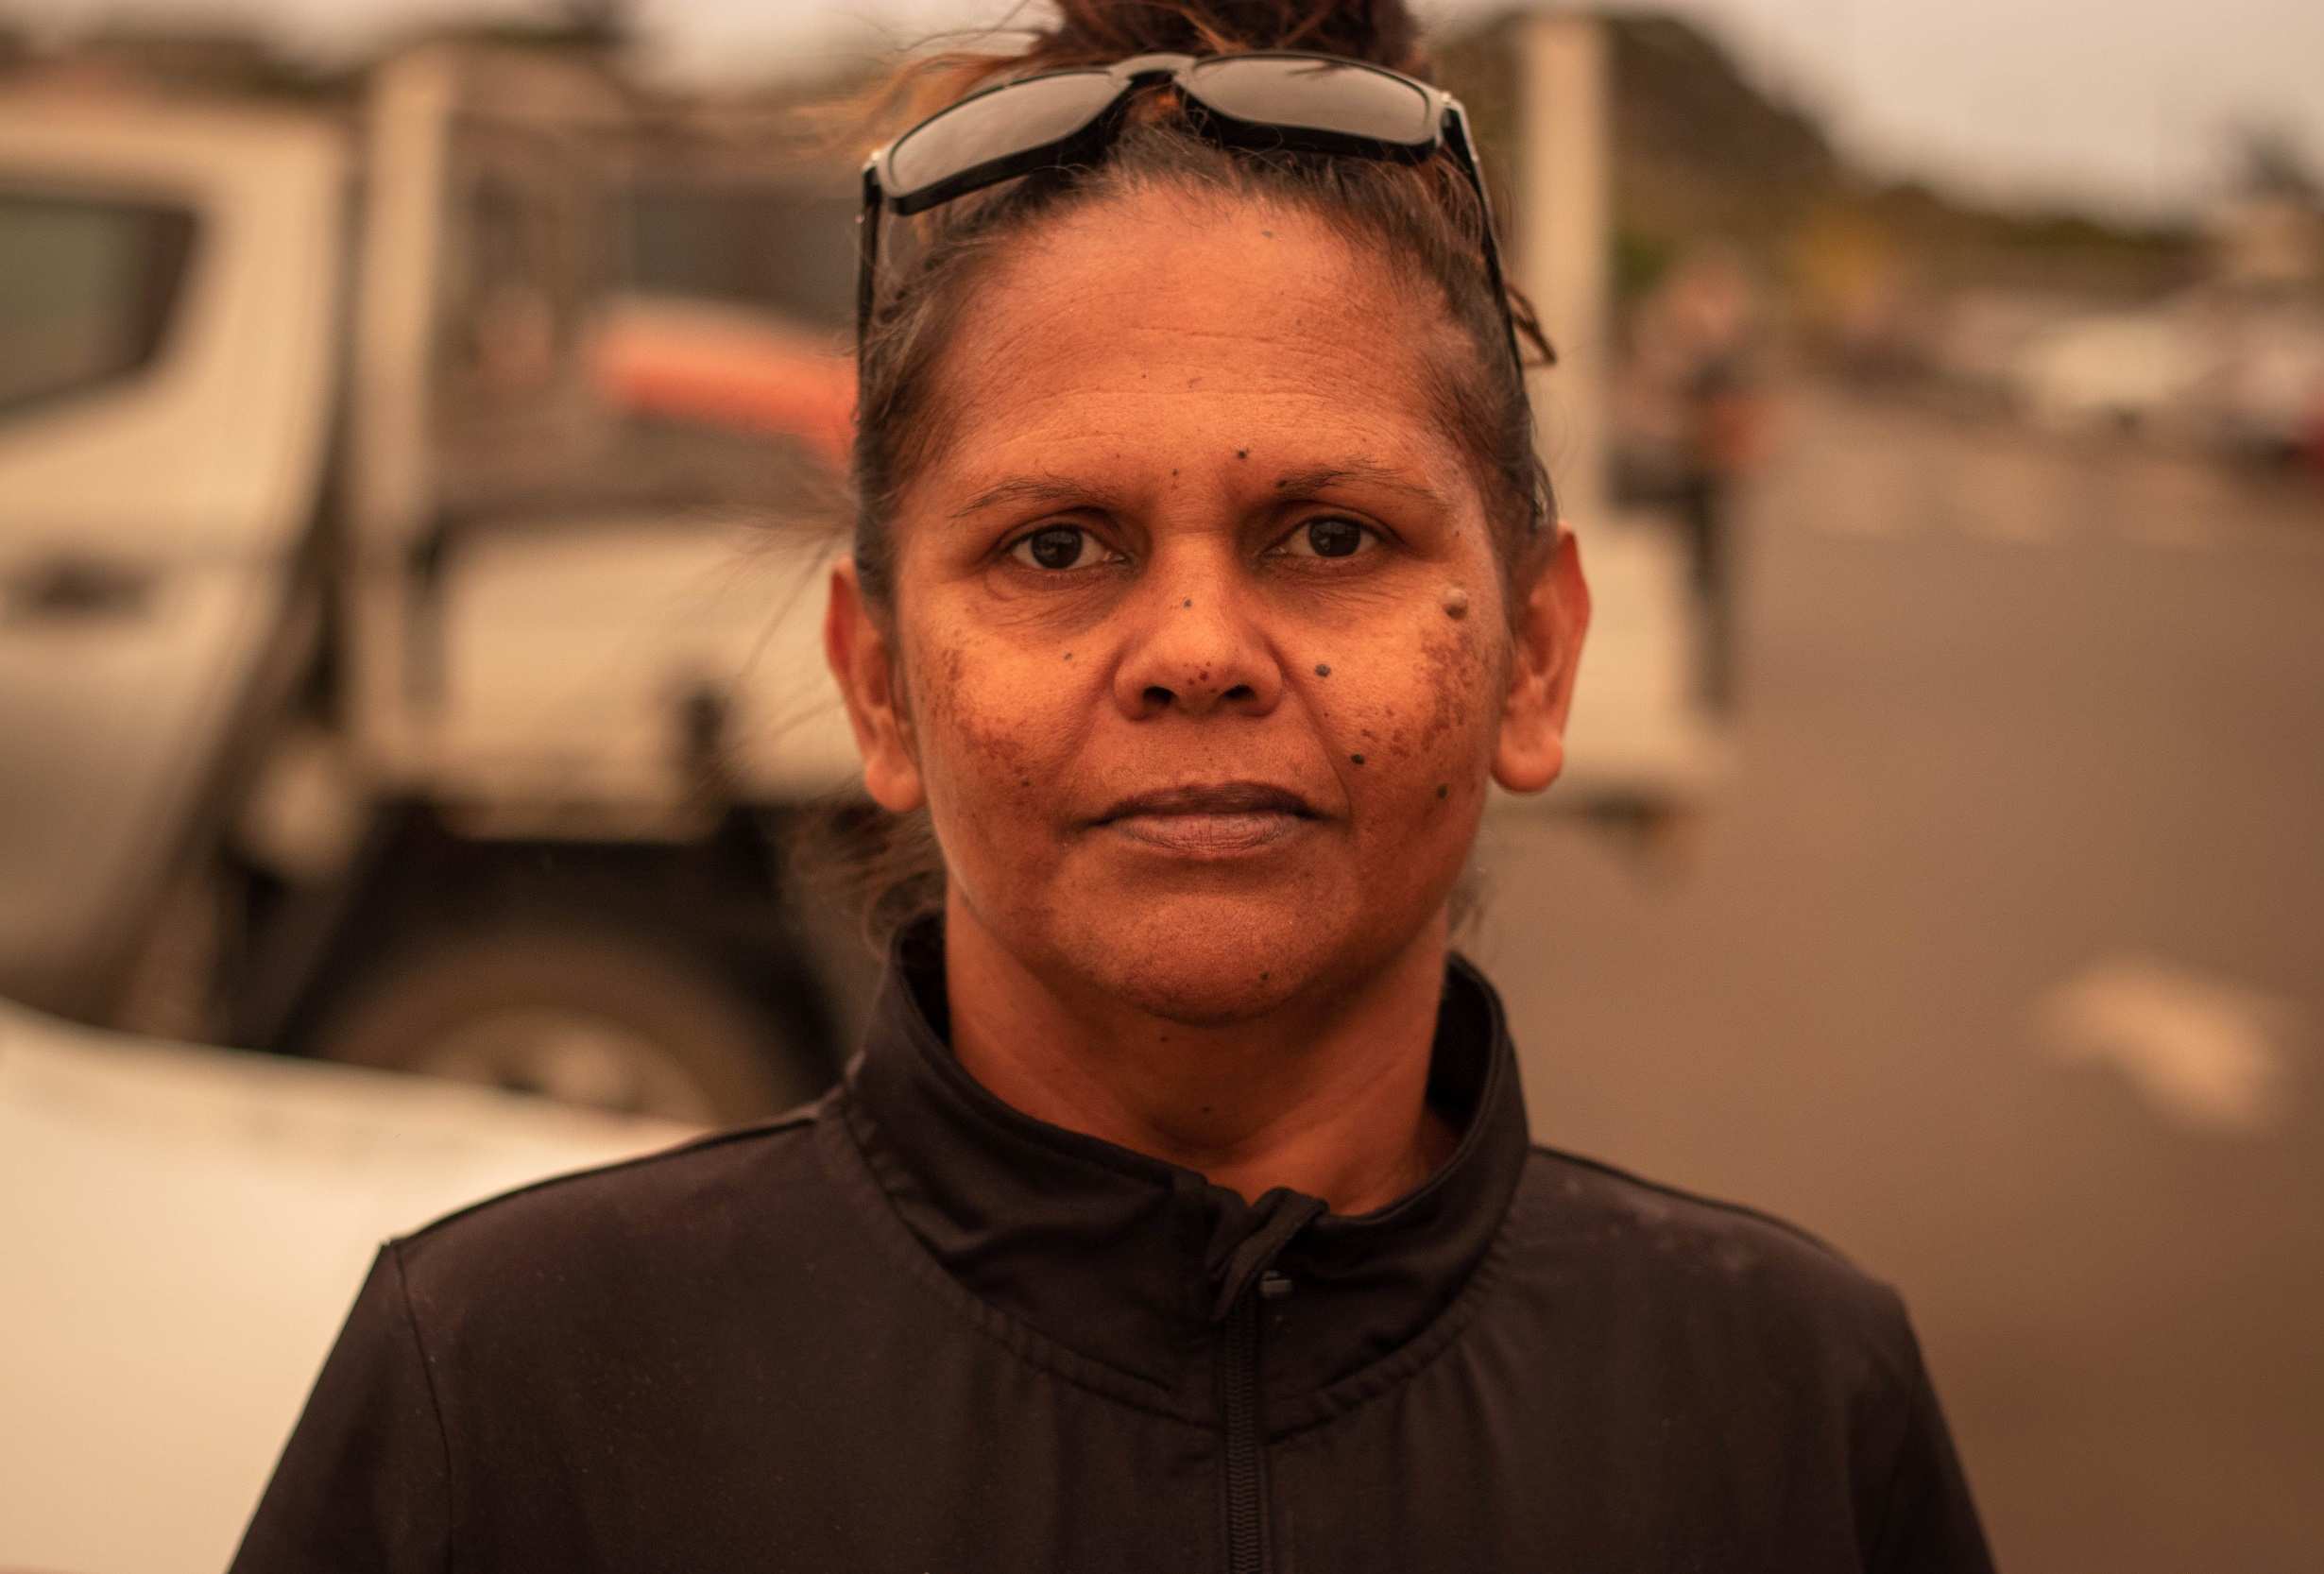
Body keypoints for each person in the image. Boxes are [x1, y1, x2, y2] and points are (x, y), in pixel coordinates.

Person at [231, 4, 1994, 1569]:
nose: (1197, 649)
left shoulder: (1792, 1406)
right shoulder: (511, 1390)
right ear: (879, 683)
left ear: (1533, 654)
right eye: (1058, 544)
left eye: (1332, 533)